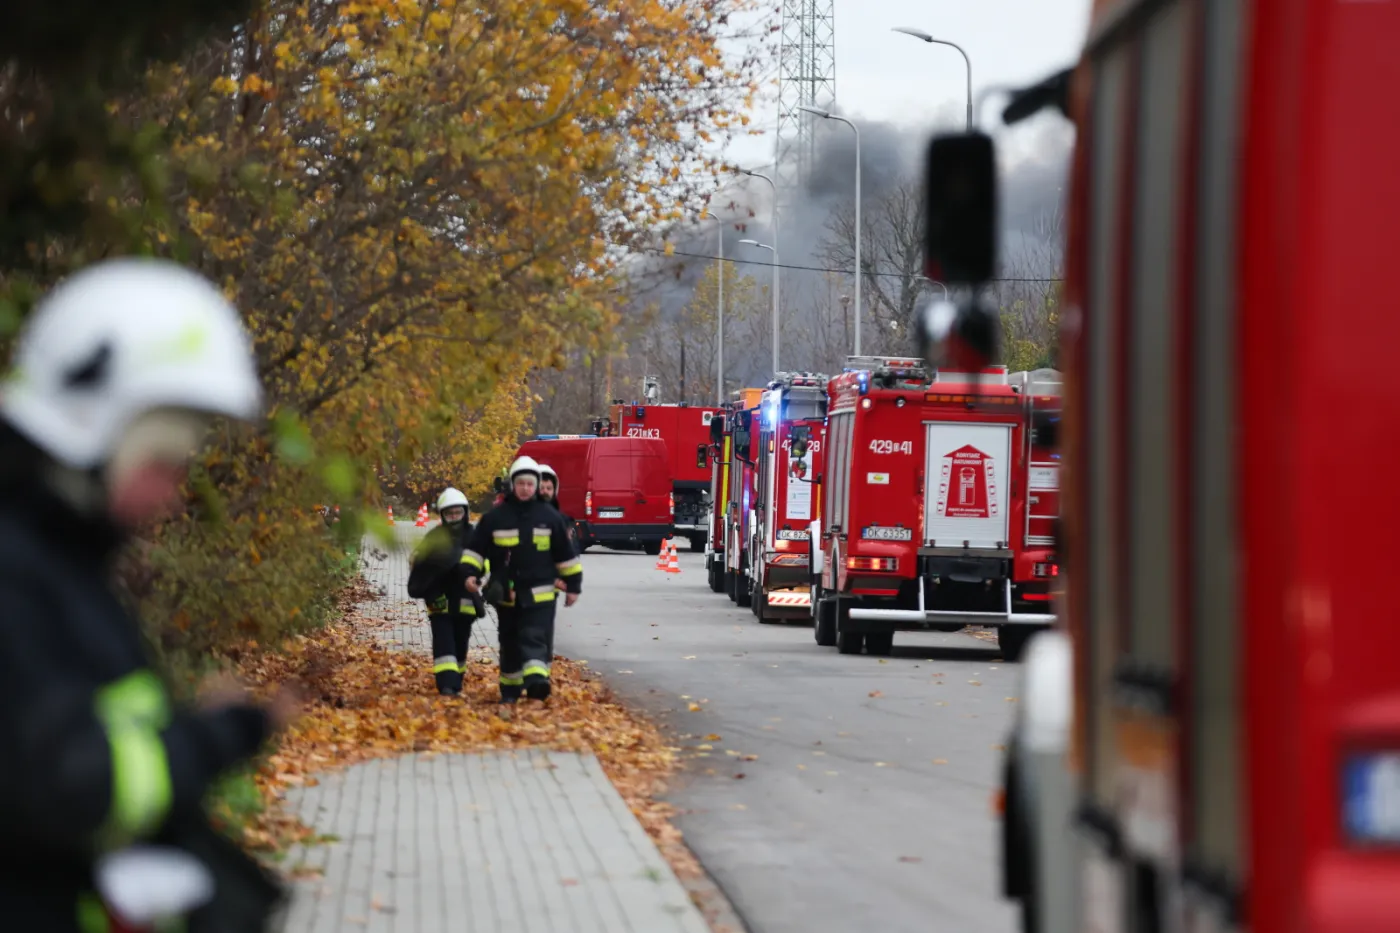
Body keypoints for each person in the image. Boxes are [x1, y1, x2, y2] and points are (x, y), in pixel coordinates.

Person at [0, 257, 298, 932]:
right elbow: (71, 785)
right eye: (162, 461)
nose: (169, 495)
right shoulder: (18, 570)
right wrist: (218, 734)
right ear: (95, 429)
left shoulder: (59, 560)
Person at [460, 456, 581, 703]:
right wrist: (470, 574)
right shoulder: (495, 518)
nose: (526, 488)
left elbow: (567, 557)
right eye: (521, 483)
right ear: (512, 485)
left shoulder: (550, 517)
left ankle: (537, 682)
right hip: (507, 596)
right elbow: (475, 551)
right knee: (510, 641)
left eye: (530, 484)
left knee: (535, 636)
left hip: (541, 595)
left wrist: (573, 587)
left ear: (536, 486)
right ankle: (510, 690)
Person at [406, 487, 484, 696]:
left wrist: (476, 576)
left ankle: (456, 679)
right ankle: (447, 684)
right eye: (449, 514)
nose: (454, 517)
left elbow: (484, 563)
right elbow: (419, 567)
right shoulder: (434, 537)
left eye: (457, 513)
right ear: (442, 515)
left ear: (465, 512)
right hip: (438, 601)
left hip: (465, 602)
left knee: (460, 643)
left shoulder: (474, 536)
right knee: (443, 643)